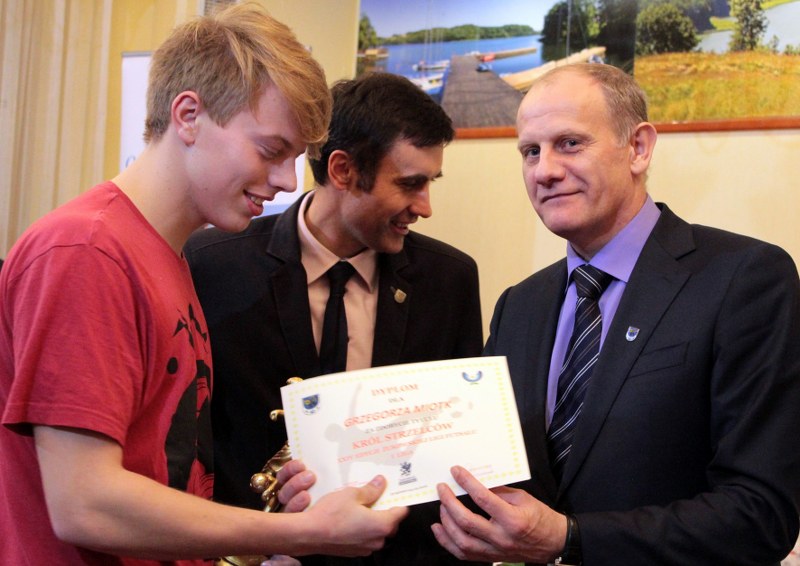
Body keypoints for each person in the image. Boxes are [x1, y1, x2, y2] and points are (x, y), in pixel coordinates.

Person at [0, 5, 408, 565]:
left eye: (293, 159)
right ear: (188, 115)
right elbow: (84, 502)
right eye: (271, 151)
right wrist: (300, 534)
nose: (286, 182)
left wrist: (277, 522)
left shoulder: (167, 255)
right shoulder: (86, 250)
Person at [430, 63, 800, 565]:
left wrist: (571, 538)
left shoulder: (744, 278)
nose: (544, 171)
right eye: (530, 151)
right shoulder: (519, 305)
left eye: (569, 144)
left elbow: (761, 514)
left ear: (639, 148)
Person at [184, 71, 484, 565]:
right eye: (410, 184)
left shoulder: (449, 280)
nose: (425, 207)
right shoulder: (213, 264)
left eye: (430, 183)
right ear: (342, 170)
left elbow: (458, 447)